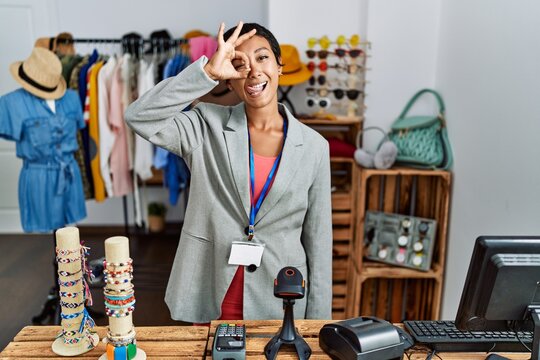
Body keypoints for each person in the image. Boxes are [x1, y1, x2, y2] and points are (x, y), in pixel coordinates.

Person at [125, 21, 332, 323]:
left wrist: (318, 325)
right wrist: (206, 74)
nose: (254, 71)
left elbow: (318, 241)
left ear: (279, 67)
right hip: (209, 290)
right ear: (231, 80)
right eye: (240, 63)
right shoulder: (205, 125)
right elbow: (138, 117)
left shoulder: (315, 147)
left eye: (262, 58)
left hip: (279, 298)